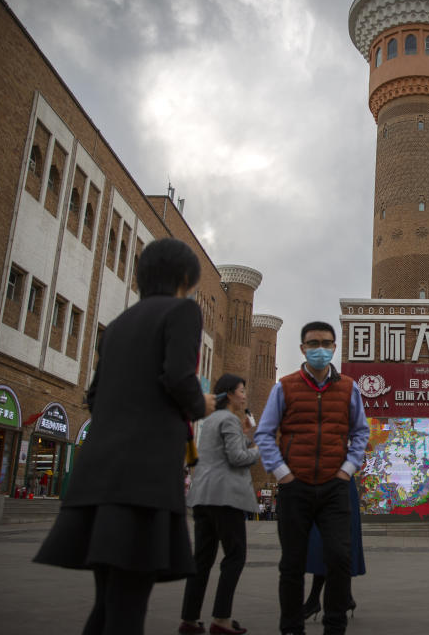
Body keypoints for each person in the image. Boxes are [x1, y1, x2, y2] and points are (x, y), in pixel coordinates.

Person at [33, 238, 215, 635]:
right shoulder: (182, 312)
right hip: (143, 480)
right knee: (128, 604)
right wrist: (202, 404)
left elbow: (95, 396)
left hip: (98, 477)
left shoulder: (117, 326)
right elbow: (177, 378)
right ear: (186, 279)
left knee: (108, 602)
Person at [255, 321, 370, 635]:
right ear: (303, 348)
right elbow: (264, 433)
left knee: (339, 558)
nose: (320, 348)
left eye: (326, 343)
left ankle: (335, 626)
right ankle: (292, 628)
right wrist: (283, 474)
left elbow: (360, 432)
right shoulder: (285, 386)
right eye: (313, 343)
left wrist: (347, 470)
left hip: (334, 486)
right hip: (296, 486)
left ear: (334, 347)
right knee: (292, 564)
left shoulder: (349, 387)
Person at [179, 374, 260, 635]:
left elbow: (223, 454)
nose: (244, 395)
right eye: (241, 390)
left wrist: (246, 436)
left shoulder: (212, 419)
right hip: (225, 498)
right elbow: (237, 458)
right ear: (228, 394)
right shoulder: (228, 419)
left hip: (204, 497)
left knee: (202, 560)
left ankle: (189, 619)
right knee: (235, 557)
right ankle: (221, 618)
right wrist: (261, 447)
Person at [302, 478, 366, 622]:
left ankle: (315, 600)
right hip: (322, 484)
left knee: (339, 541)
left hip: (339, 485)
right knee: (327, 542)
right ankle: (345, 597)